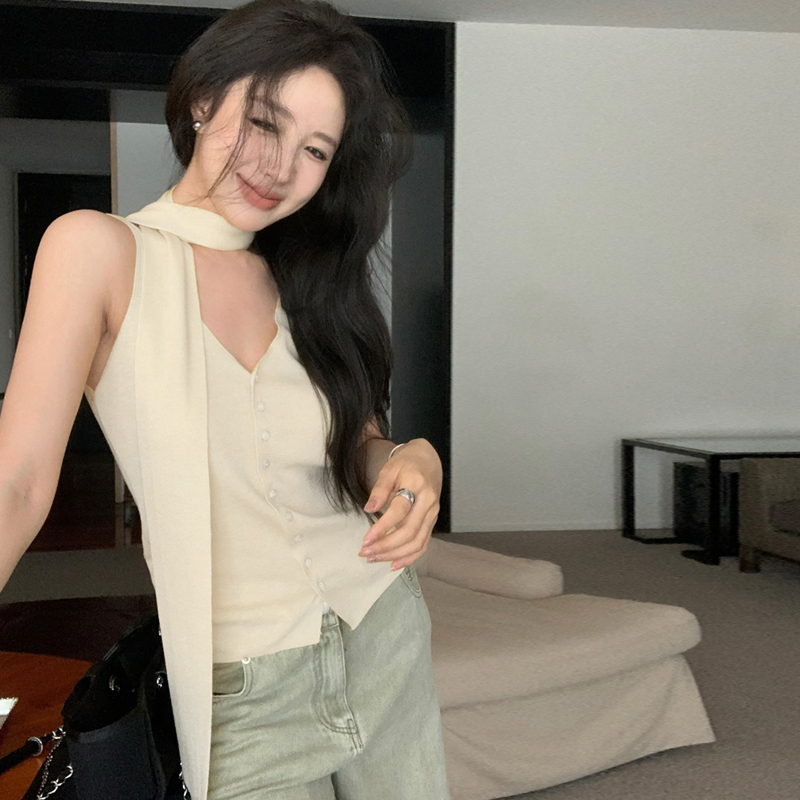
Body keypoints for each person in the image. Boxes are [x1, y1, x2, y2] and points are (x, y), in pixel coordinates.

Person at [0, 1, 451, 798]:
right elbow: (19, 485)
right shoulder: (98, 249)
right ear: (204, 99)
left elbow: (355, 444)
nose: (280, 166)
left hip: (381, 627)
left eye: (315, 150)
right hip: (241, 689)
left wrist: (410, 457)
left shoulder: (306, 276)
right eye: (265, 123)